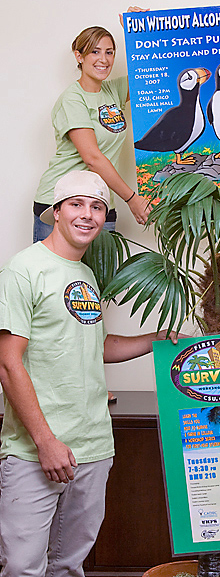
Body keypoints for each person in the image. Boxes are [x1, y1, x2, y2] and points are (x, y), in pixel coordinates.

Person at [0, 170, 176, 577]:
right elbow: (9, 365)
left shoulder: (85, 275)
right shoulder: (22, 271)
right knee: (24, 568)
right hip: (36, 450)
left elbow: (95, 346)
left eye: (97, 206)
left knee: (68, 565)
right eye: (76, 204)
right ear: (56, 212)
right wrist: (46, 442)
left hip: (93, 447)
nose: (88, 215)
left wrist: (157, 338)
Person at [33, 7, 150, 244]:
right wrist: (132, 199)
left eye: (110, 52)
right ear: (79, 56)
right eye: (95, 52)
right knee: (55, 279)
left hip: (101, 201)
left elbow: (151, 74)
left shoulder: (113, 90)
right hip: (61, 203)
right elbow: (92, 158)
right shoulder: (72, 99)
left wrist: (139, 30)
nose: (104, 59)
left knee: (101, 281)